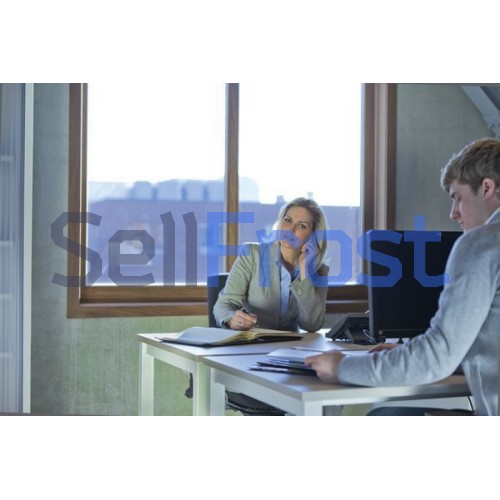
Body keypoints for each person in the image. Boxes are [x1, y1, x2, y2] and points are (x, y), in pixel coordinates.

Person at [305, 138, 500, 416]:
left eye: (458, 197)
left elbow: (437, 356)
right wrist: (404, 354)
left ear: (487, 188)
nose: (453, 213)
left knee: (386, 417)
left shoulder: (482, 243)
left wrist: (342, 367)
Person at [213, 197, 329, 333]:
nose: (290, 230)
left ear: (313, 236)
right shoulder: (251, 254)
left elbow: (312, 325)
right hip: (252, 341)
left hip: (291, 344)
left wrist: (305, 273)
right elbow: (223, 304)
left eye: (302, 225)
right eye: (287, 220)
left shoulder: (319, 270)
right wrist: (232, 319)